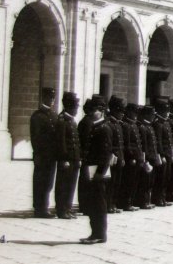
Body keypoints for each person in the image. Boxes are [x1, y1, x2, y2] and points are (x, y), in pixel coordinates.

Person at [80, 96, 112, 244]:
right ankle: (95, 233)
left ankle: (99, 234)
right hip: (91, 169)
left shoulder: (104, 128)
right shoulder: (96, 126)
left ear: (101, 111)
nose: (91, 113)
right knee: (93, 203)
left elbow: (106, 154)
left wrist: (100, 173)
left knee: (98, 204)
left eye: (94, 110)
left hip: (98, 172)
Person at [30, 87, 57, 218]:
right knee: (40, 182)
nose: (51, 100)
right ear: (43, 98)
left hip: (51, 155)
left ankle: (44, 206)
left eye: (53, 98)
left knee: (49, 182)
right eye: (49, 98)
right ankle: (39, 208)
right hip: (42, 155)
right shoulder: (37, 116)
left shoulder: (53, 115)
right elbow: (35, 138)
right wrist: (37, 154)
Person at [55, 91, 81, 219]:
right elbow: (61, 142)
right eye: (76, 107)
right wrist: (64, 159)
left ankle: (68, 208)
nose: (77, 109)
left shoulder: (70, 120)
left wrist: (78, 157)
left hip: (74, 159)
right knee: (63, 185)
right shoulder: (62, 120)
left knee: (71, 185)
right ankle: (61, 209)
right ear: (70, 106)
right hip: (66, 159)